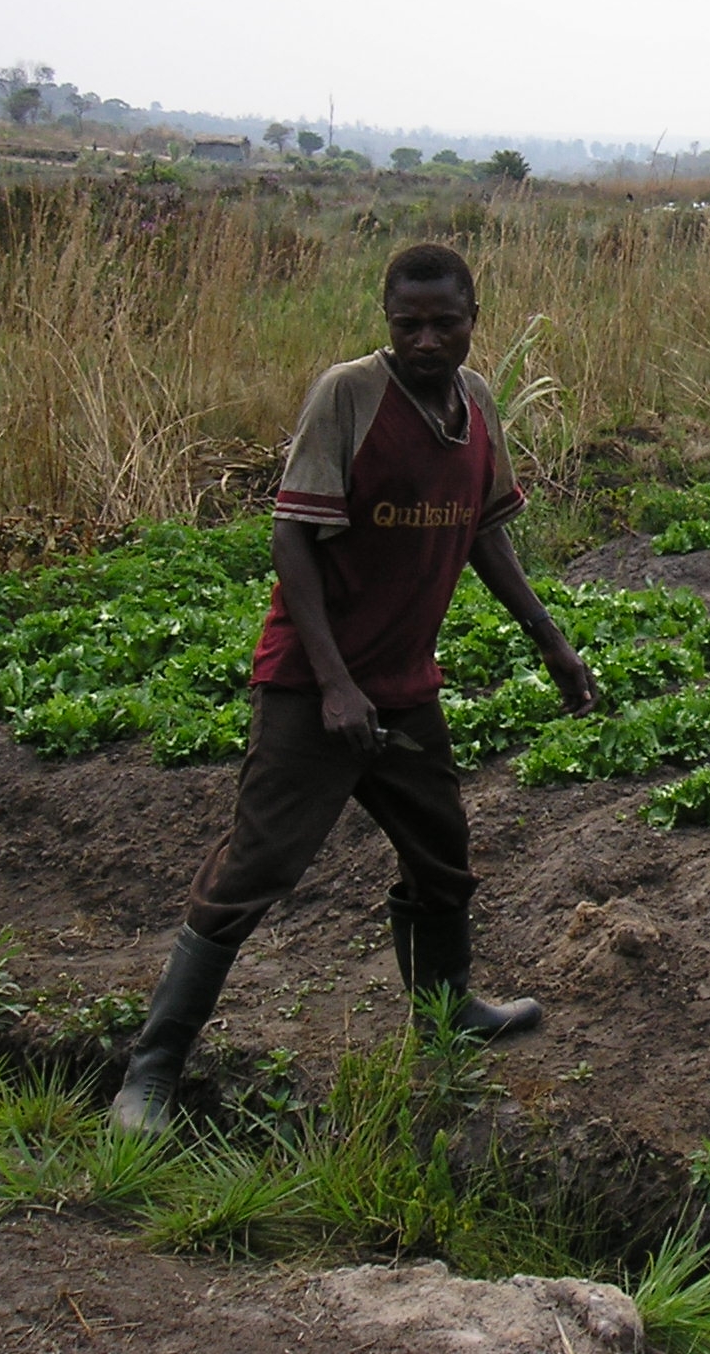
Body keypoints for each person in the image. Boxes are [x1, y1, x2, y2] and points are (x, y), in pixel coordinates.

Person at [112, 243, 597, 1132]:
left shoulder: (475, 404)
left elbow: (488, 537)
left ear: (471, 319)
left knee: (442, 856)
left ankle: (447, 1020)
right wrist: (334, 685)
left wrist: (553, 644)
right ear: (386, 318)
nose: (424, 338)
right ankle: (151, 1071)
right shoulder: (348, 395)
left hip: (404, 686)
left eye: (443, 323)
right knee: (253, 871)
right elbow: (292, 537)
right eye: (406, 322)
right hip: (314, 685)